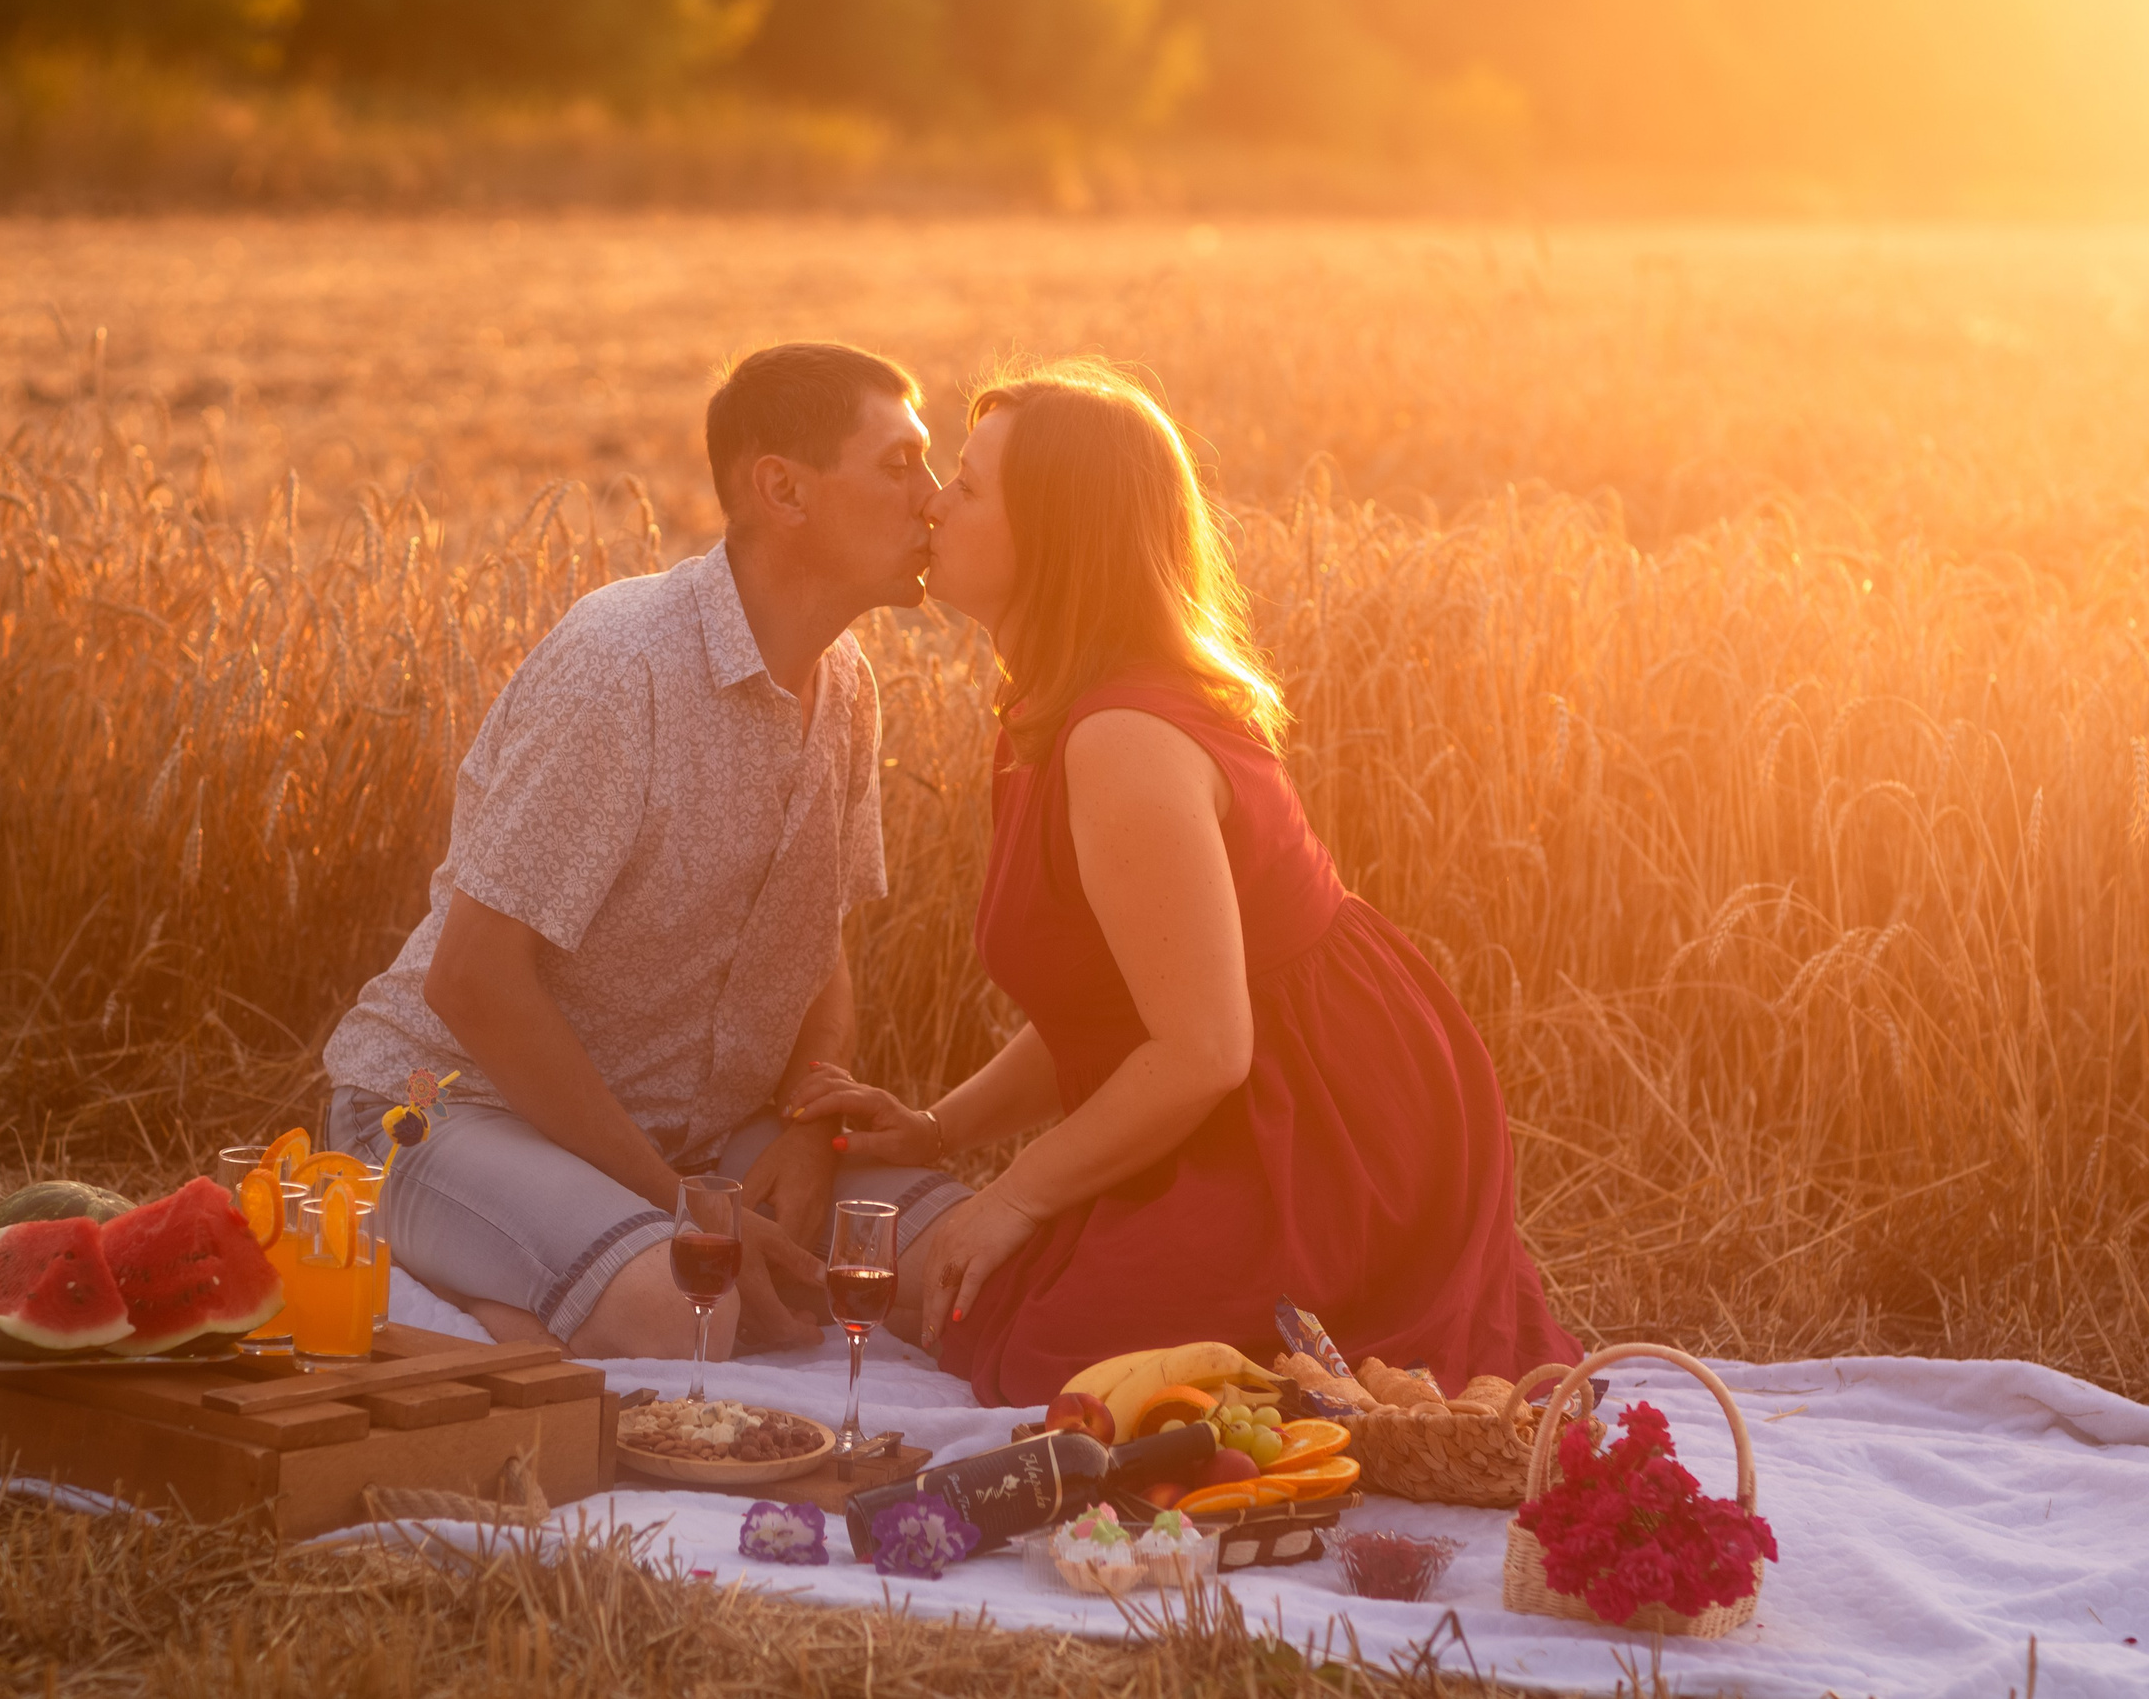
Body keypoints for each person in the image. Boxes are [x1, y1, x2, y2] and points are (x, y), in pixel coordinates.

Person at [790, 359, 1583, 1405]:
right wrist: (942, 1132)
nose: (935, 501)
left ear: (1058, 533)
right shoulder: (1048, 709)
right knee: (1014, 1324)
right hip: (1240, 1087)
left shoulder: (1122, 738)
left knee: (1056, 1367)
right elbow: (1111, 1001)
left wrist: (1011, 1197)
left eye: (970, 485)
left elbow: (1204, 1043)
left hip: (1323, 1125)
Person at [322, 342, 970, 1360]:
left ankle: (547, 1301)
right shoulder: (622, 665)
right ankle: (398, 1289)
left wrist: (808, 1129)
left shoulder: (848, 685)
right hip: (441, 1112)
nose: (935, 499)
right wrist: (677, 1205)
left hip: (699, 1139)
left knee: (957, 1261)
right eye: (899, 464)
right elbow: (473, 978)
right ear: (783, 489)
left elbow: (821, 951)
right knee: (693, 1305)